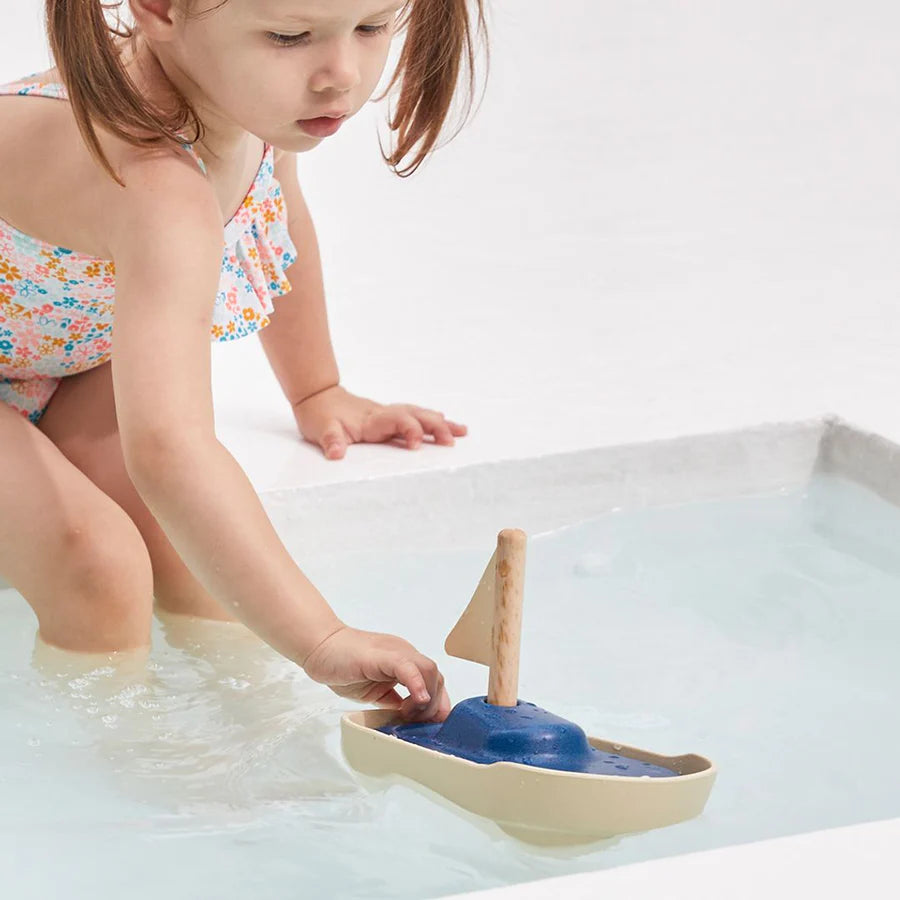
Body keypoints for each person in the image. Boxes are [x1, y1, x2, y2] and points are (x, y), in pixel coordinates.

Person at [0, 0, 489, 724]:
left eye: (372, 25)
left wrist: (317, 390)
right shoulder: (153, 187)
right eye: (289, 36)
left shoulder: (247, 101)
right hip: (40, 349)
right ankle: (115, 764)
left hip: (56, 353)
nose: (340, 75)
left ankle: (244, 732)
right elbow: (168, 450)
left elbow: (279, 217)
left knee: (198, 561)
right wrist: (321, 639)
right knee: (97, 568)